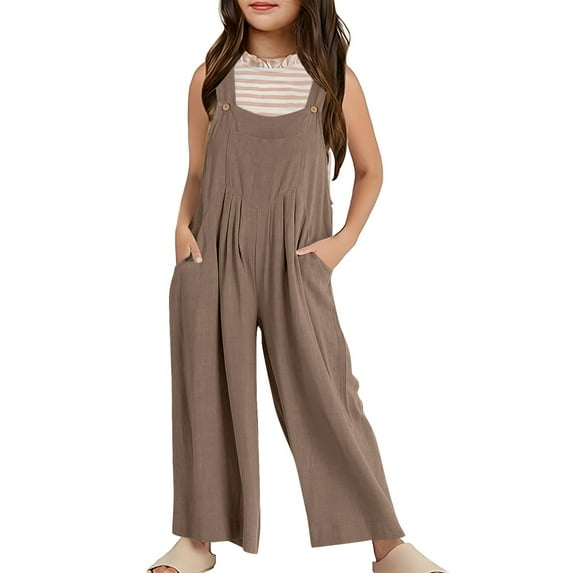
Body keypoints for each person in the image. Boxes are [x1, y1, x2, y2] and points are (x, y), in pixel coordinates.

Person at [147, 1, 448, 572]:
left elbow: (371, 169)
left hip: (298, 260)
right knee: (204, 393)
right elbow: (197, 171)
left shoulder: (332, 80)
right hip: (213, 255)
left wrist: (341, 242)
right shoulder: (211, 77)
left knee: (329, 393)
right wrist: (182, 229)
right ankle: (196, 541)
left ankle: (387, 543)